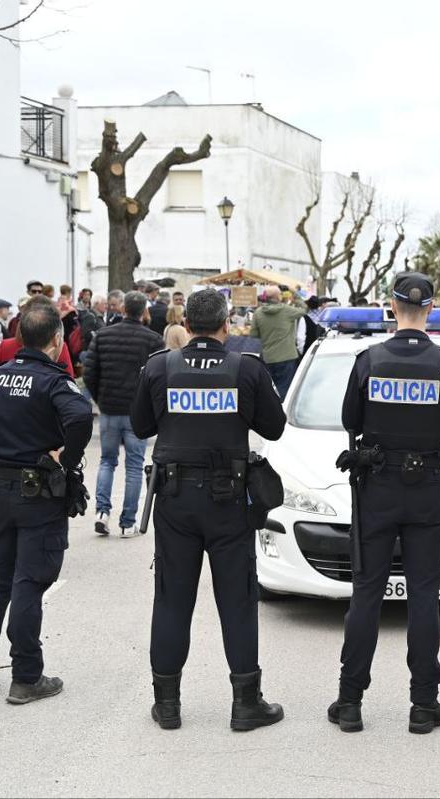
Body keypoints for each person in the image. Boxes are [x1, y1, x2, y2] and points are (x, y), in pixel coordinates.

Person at [130, 288, 288, 732]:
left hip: (176, 499)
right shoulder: (246, 369)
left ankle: (168, 704)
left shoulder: (160, 366)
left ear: (188, 321)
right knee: (237, 602)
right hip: (229, 502)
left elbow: (141, 425)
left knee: (171, 600)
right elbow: (274, 427)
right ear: (226, 324)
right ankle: (245, 704)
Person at [329, 272, 440, 735]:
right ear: (430, 309)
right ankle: (423, 705)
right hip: (429, 489)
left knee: (367, 594)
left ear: (391, 307)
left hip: (377, 488)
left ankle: (350, 702)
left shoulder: (368, 360)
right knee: (423, 597)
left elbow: (349, 419)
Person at [0, 299, 93, 704]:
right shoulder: (55, 381)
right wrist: (66, 460)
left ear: (18, 338)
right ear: (56, 340)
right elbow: (82, 418)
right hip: (38, 493)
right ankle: (26, 676)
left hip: (0, 491)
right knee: (29, 582)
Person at [81, 291, 164, 537]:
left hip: (109, 409)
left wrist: (100, 399)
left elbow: (89, 373)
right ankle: (127, 521)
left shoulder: (103, 336)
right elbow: (158, 378)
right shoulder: (153, 340)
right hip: (136, 412)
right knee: (135, 466)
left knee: (107, 461)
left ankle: (102, 511)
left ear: (123, 309)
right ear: (144, 311)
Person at [249, 285, 305, 401]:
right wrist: (295, 294)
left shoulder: (258, 313)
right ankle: (283, 412)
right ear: (278, 296)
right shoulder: (287, 310)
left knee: (269, 389)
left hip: (268, 358)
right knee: (285, 388)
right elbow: (304, 309)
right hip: (287, 356)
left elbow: (253, 335)